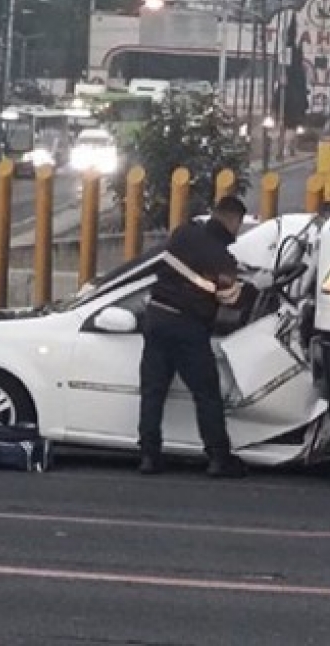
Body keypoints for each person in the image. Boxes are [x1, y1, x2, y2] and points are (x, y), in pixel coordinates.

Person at [138, 195, 250, 478]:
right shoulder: (222, 258)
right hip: (188, 327)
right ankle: (219, 458)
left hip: (156, 318)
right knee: (206, 394)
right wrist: (249, 291)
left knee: (153, 392)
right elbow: (230, 298)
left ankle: (149, 456)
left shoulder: (183, 233)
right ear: (234, 220)